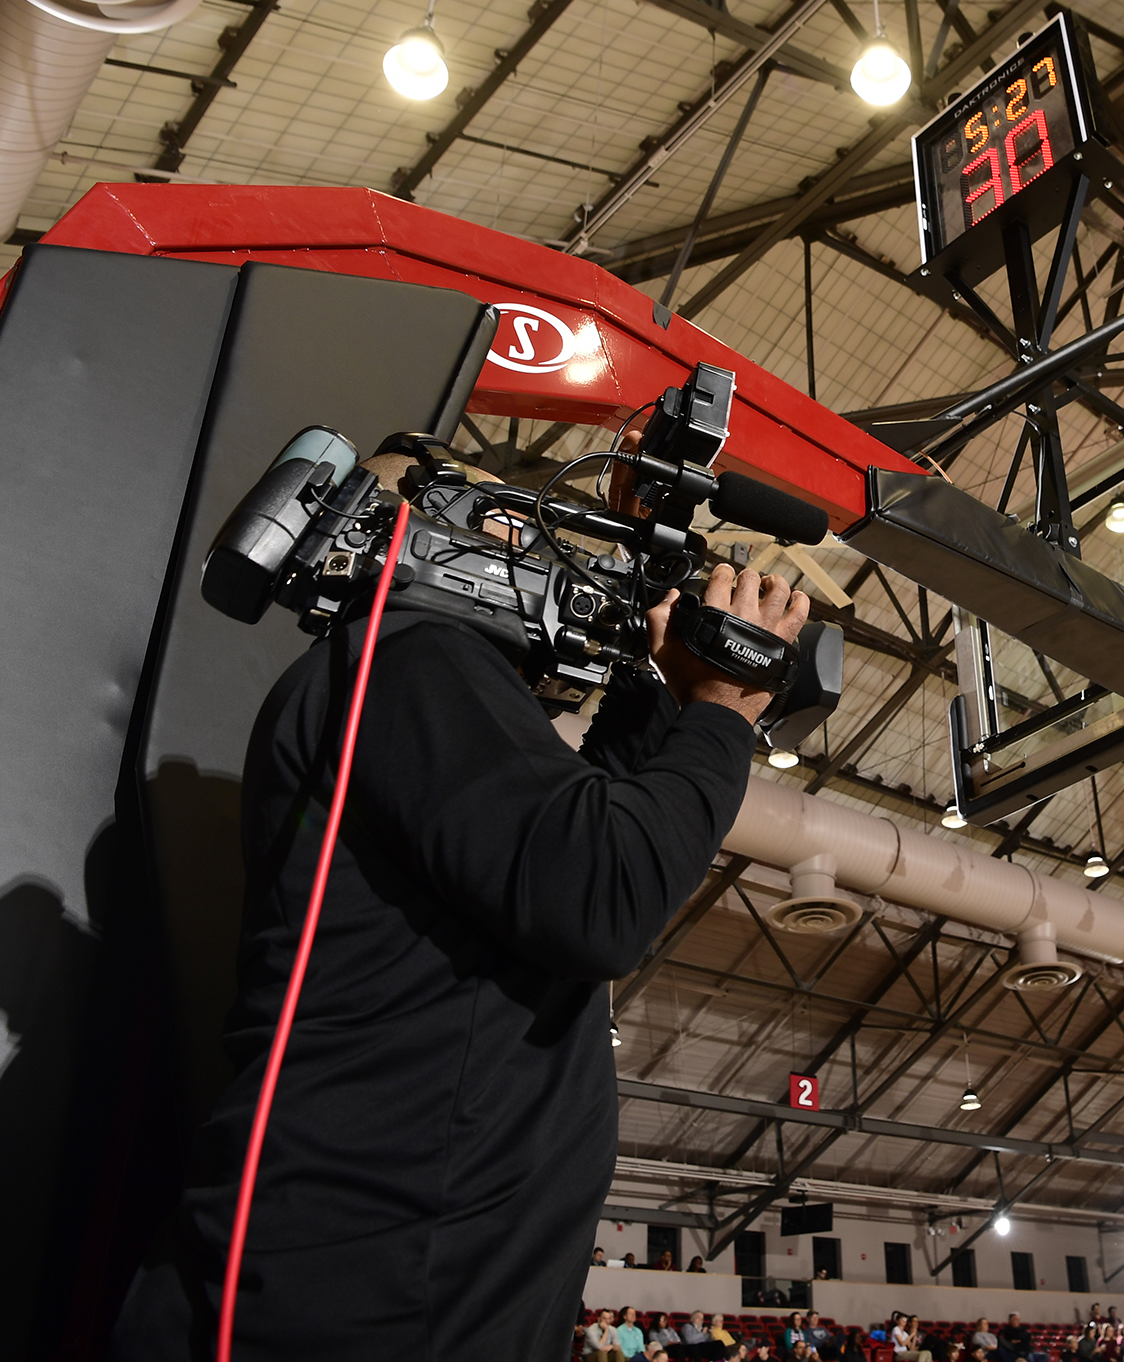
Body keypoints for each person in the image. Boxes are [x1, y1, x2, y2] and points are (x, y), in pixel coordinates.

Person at [108, 453, 810, 1357]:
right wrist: (720, 713)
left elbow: (582, 833)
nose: (542, 550)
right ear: (419, 532)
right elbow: (600, 893)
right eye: (506, 524)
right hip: (375, 1292)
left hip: (413, 1287)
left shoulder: (409, 674)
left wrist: (662, 687)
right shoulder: (413, 654)